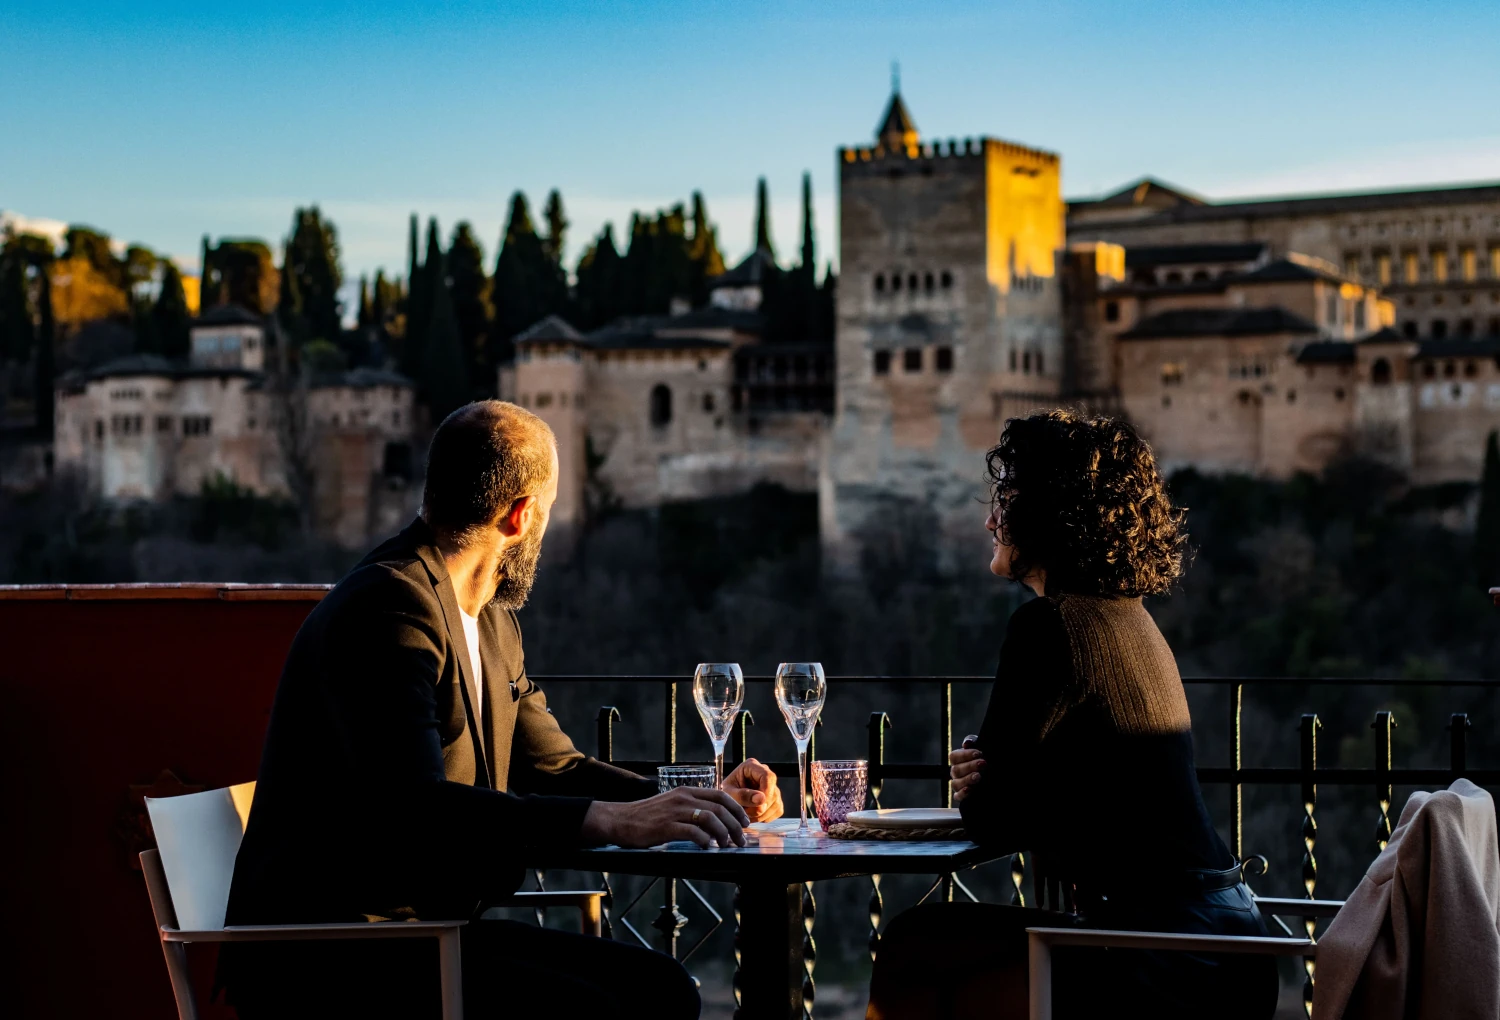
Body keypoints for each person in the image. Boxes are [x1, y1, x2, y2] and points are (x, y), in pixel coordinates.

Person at [221, 400, 785, 1020]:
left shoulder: (490, 620)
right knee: (607, 1008)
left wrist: (692, 802)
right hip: (330, 954)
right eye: (546, 512)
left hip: (421, 938)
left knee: (663, 989)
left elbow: (556, 768)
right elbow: (416, 811)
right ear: (520, 516)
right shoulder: (387, 608)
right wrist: (611, 822)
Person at [865, 410, 1277, 1020]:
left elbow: (992, 817)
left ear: (1046, 512)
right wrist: (1005, 776)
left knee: (916, 945)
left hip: (1166, 954)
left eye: (1005, 500)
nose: (989, 519)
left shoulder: (1049, 625)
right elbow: (1092, 794)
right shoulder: (1130, 617)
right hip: (1230, 941)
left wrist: (984, 777)